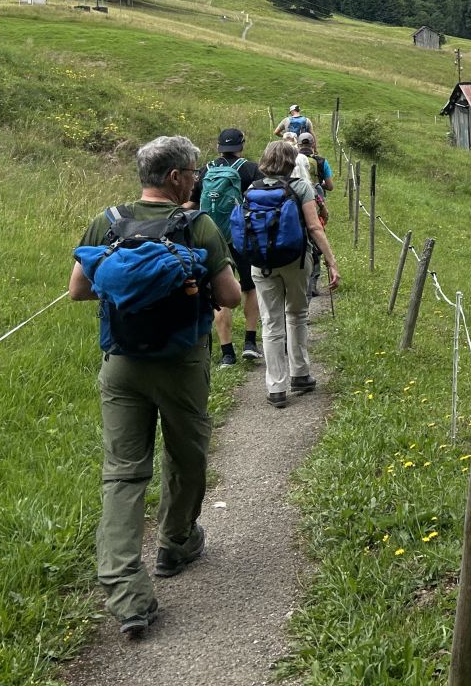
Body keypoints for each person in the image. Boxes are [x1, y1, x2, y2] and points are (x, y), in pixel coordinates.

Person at [69, 135, 241, 640]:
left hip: (122, 366)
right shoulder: (199, 224)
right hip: (182, 365)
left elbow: (78, 289)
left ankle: (127, 595)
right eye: (193, 171)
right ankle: (175, 543)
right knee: (186, 458)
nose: (197, 177)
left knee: (123, 474)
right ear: (175, 178)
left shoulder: (108, 221)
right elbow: (229, 295)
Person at [241, 140, 339, 408]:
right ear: (291, 161)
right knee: (296, 314)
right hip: (295, 261)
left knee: (271, 322)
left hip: (261, 263)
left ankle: (275, 387)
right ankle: (300, 374)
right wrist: (331, 262)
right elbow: (314, 228)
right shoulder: (300, 186)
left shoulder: (252, 188)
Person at [194, 127, 264, 367]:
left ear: (218, 147)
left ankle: (226, 353)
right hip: (242, 237)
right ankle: (250, 343)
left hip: (213, 239)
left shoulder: (206, 170)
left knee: (220, 292)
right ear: (241, 146)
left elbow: (192, 204)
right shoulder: (251, 169)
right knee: (250, 287)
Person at [294, 131, 333, 294]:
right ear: (312, 144)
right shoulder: (321, 161)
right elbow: (330, 186)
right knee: (316, 241)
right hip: (316, 199)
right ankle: (312, 285)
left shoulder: (292, 161)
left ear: (299, 144)